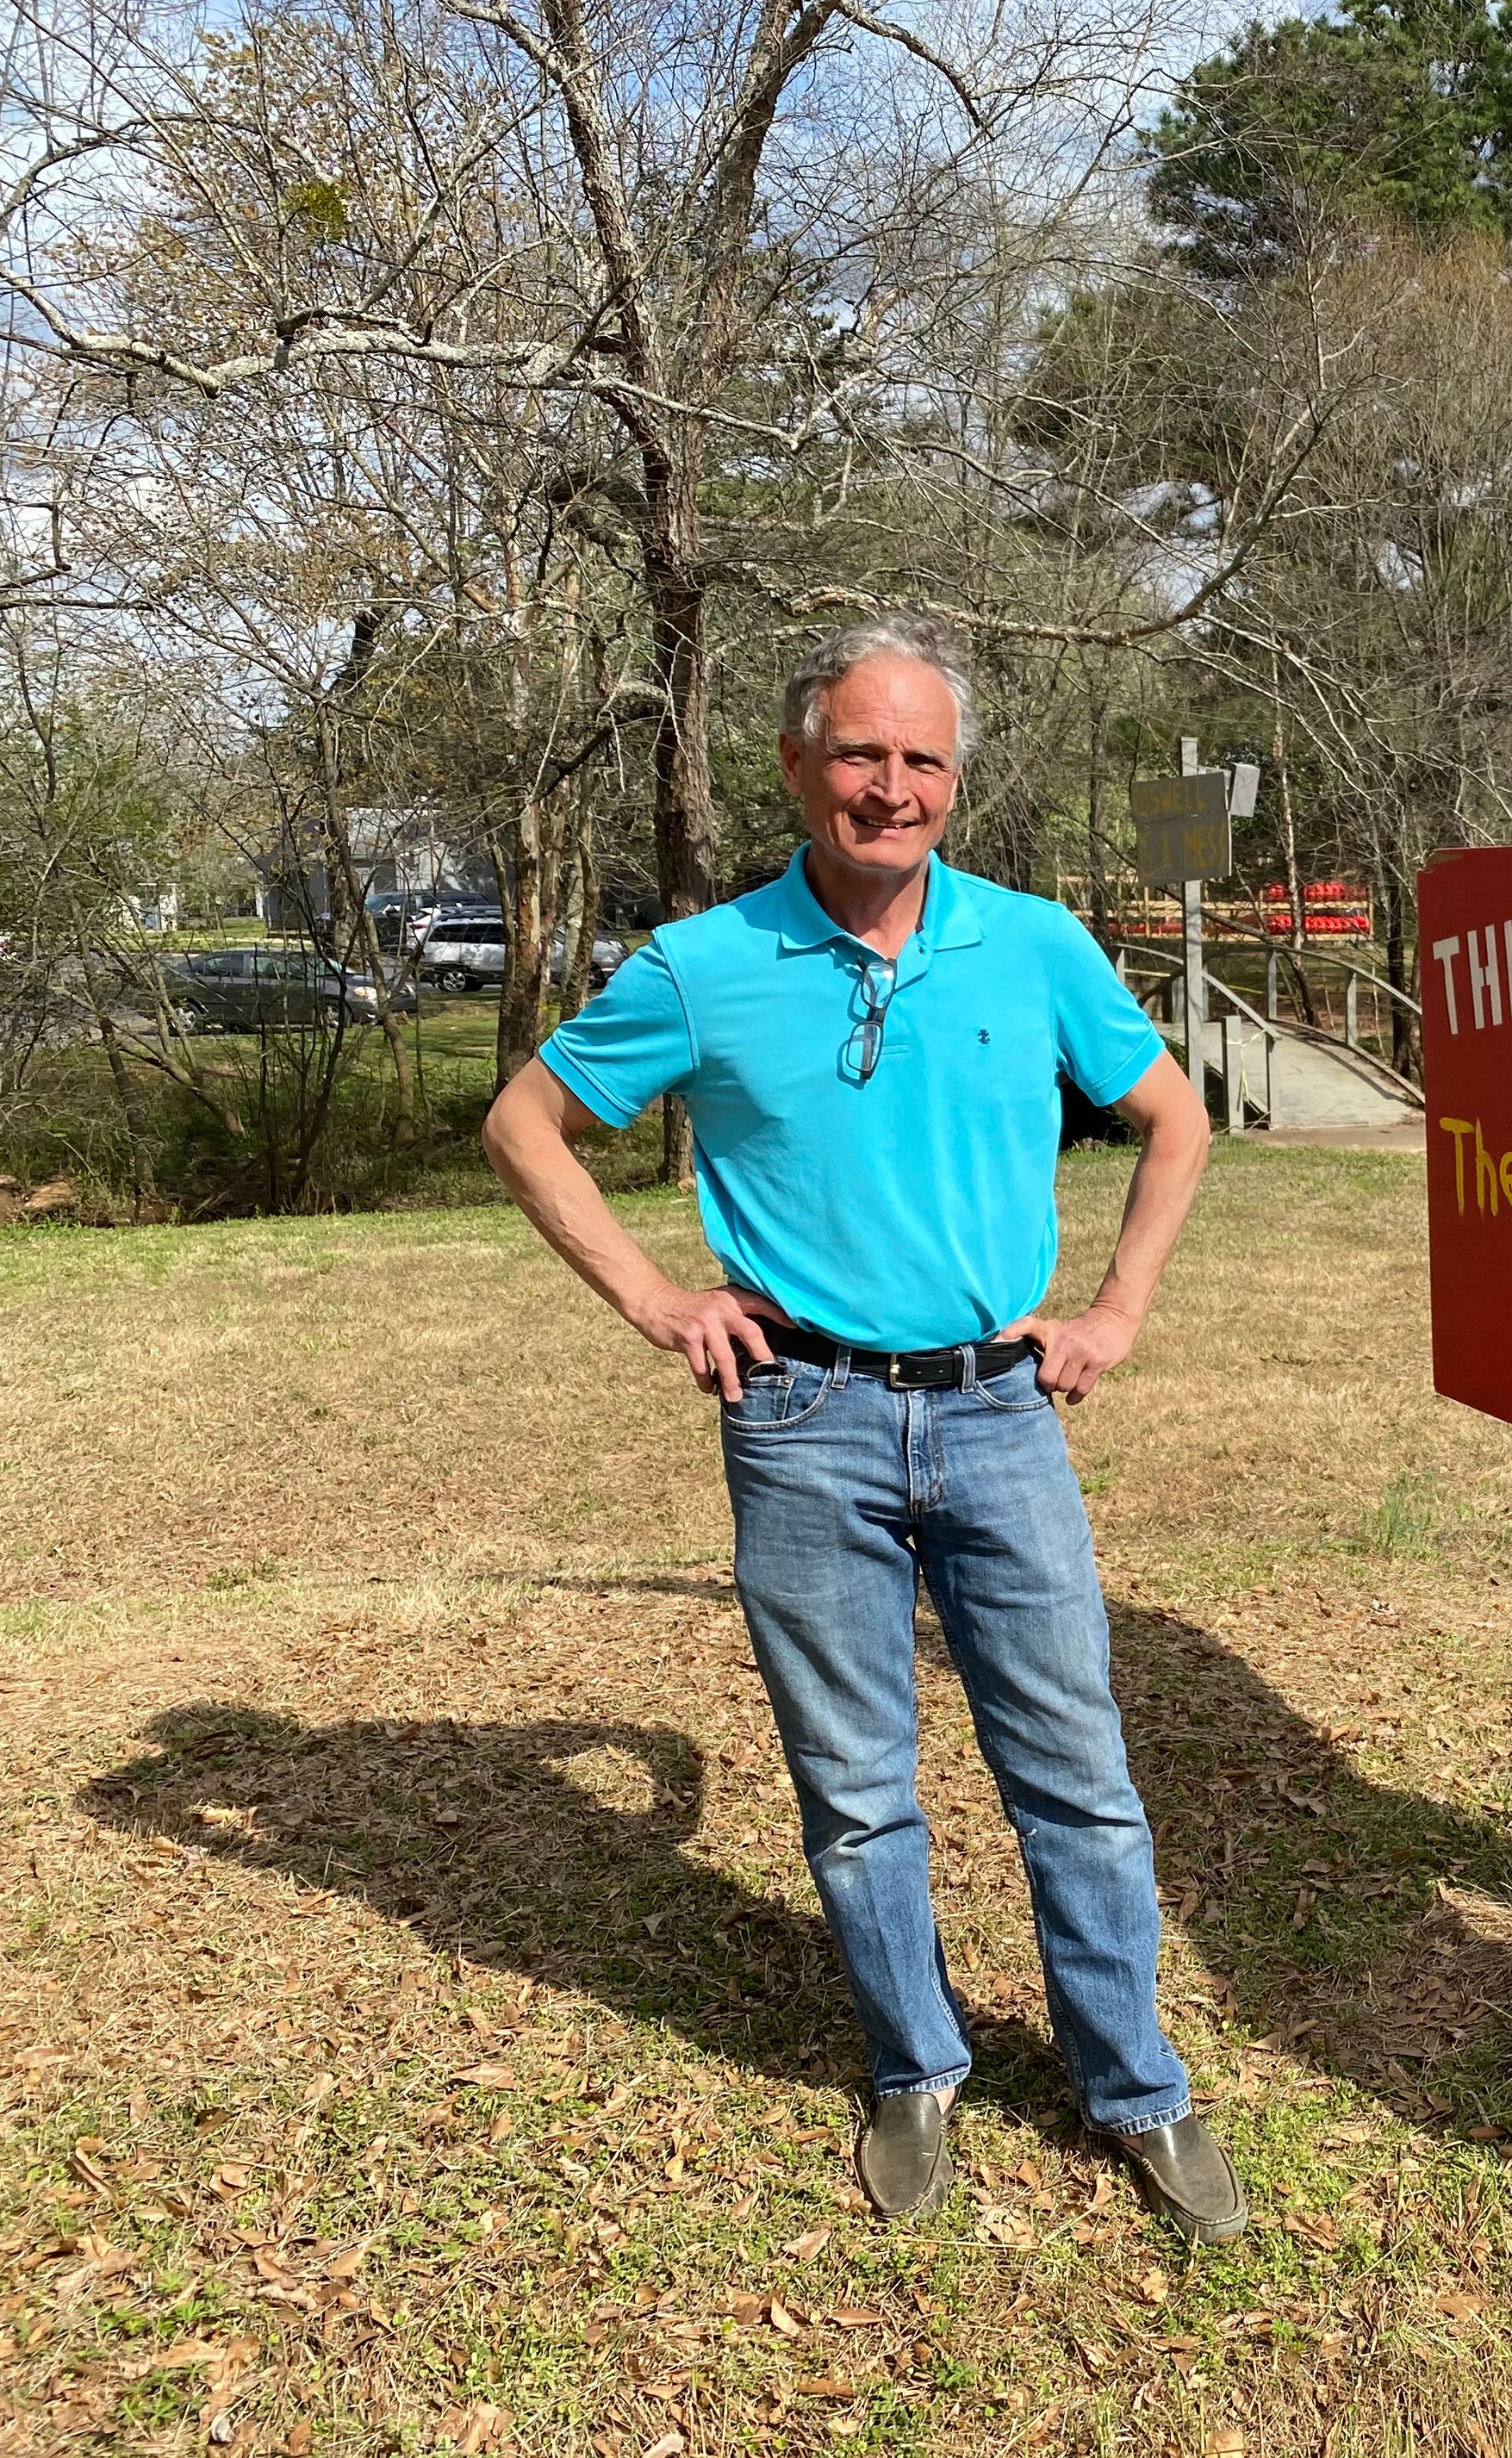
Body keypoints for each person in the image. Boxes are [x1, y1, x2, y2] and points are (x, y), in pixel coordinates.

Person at [480, 615, 1238, 2237]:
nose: (888, 790)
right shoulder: (701, 963)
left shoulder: (1033, 946)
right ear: (795, 764)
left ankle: (1136, 2088)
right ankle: (917, 2067)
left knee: (1078, 1777)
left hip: (999, 1413)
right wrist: (654, 1298)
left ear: (954, 782)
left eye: (921, 760)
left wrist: (1114, 1313)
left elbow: (1171, 1120)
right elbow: (525, 1121)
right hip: (801, 1418)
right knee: (857, 1788)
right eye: (858, 753)